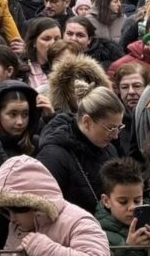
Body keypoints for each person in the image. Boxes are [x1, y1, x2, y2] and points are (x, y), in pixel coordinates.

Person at [33, 84, 124, 215]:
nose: (115, 135)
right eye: (111, 128)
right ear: (87, 121)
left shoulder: (109, 149)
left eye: (119, 128)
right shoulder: (54, 156)